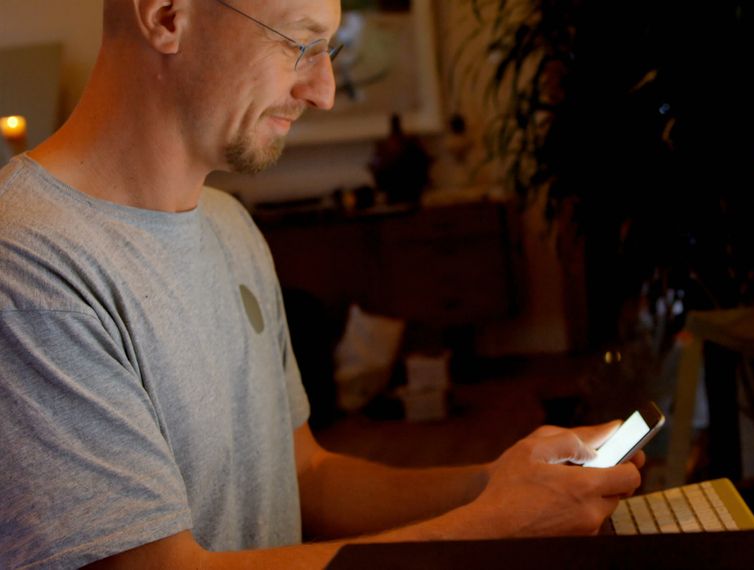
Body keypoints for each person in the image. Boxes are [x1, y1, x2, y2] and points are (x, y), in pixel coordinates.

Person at [0, 1, 642, 567]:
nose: (323, 90)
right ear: (166, 15)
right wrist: (493, 528)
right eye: (298, 42)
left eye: (327, 49)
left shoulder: (229, 227)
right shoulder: (29, 263)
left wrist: (498, 483)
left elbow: (304, 476)